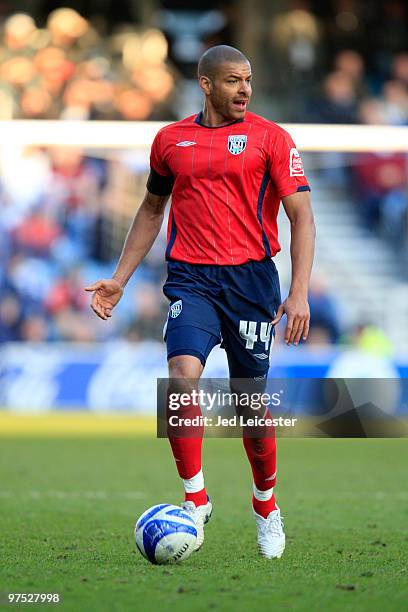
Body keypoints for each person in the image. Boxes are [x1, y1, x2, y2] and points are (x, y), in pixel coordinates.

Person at [85, 45, 315, 559]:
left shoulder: (271, 139)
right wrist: (120, 278)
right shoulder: (170, 141)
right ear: (206, 84)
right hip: (191, 279)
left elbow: (302, 215)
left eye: (249, 80)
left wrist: (298, 290)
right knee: (181, 376)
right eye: (234, 80)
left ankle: (266, 507)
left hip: (252, 282)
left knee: (250, 405)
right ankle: (195, 499)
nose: (245, 90)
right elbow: (151, 208)